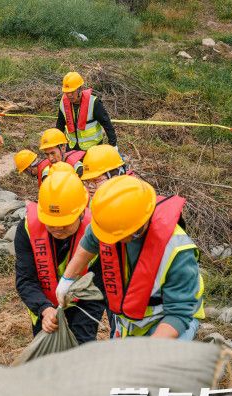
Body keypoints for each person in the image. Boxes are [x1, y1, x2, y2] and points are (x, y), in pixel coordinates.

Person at [57, 176, 205, 339]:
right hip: (131, 320)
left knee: (158, 363)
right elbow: (91, 239)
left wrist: (147, 349)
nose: (107, 240)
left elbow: (179, 313)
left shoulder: (178, 251)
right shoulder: (111, 222)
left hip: (169, 320)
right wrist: (67, 279)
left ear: (137, 230)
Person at [14, 168, 104, 342]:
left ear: (81, 212)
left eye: (65, 223)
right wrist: (44, 309)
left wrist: (82, 332)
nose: (58, 229)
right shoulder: (27, 229)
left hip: (84, 304)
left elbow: (99, 287)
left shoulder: (97, 232)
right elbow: (25, 280)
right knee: (48, 356)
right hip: (43, 304)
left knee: (80, 347)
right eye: (52, 223)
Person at [55, 72, 117, 152]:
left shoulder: (94, 103)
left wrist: (113, 145)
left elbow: (107, 124)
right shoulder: (63, 103)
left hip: (93, 149)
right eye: (67, 92)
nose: (69, 95)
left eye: (72, 91)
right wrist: (56, 143)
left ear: (81, 88)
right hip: (72, 147)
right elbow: (60, 124)